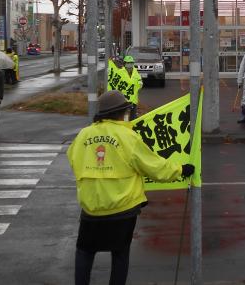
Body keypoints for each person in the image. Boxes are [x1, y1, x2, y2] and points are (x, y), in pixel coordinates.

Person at [67, 91, 194, 285]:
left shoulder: (84, 134)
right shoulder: (127, 136)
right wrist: (181, 170)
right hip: (122, 208)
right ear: (121, 113)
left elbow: (73, 158)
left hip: (91, 208)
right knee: (119, 254)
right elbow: (155, 167)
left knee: (85, 251)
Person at [117, 56, 143, 121]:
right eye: (128, 63)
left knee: (133, 116)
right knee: (123, 115)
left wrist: (140, 83)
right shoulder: (119, 72)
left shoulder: (135, 72)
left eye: (131, 63)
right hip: (123, 99)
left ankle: (131, 128)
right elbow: (116, 83)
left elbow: (139, 80)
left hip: (133, 99)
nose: (130, 65)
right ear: (124, 63)